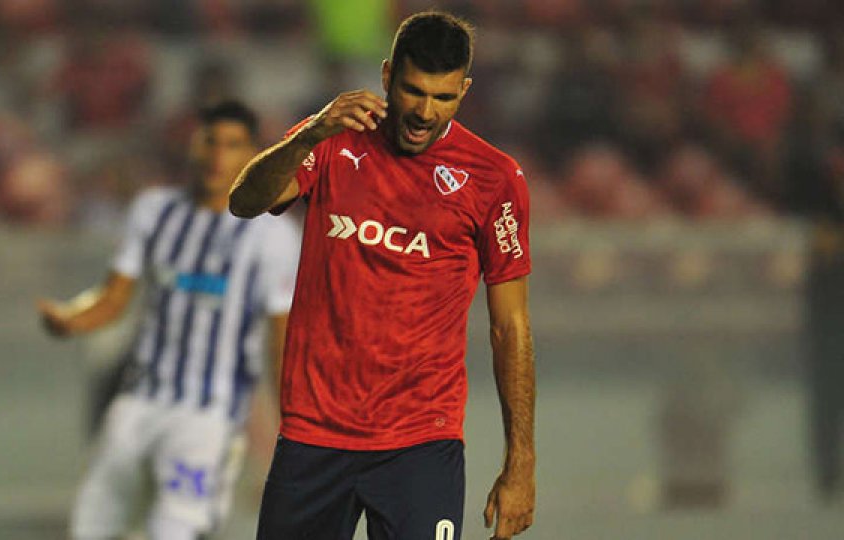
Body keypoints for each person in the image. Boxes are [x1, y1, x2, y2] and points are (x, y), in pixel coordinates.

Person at [230, 11, 535, 540]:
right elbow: (244, 201)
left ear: (464, 90)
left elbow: (511, 327)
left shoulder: (493, 180)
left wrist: (521, 464)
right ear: (388, 73)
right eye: (414, 91)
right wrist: (312, 133)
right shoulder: (333, 139)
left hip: (420, 443)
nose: (424, 111)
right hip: (314, 434)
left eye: (444, 97)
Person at [37, 101, 301, 540]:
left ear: (252, 153)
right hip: (137, 402)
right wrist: (69, 319)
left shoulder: (271, 234)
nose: (219, 156)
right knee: (93, 527)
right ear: (193, 146)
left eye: (233, 145)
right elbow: (112, 298)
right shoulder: (154, 211)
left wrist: (285, 437)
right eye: (210, 142)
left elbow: (279, 341)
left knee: (174, 530)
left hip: (209, 419)